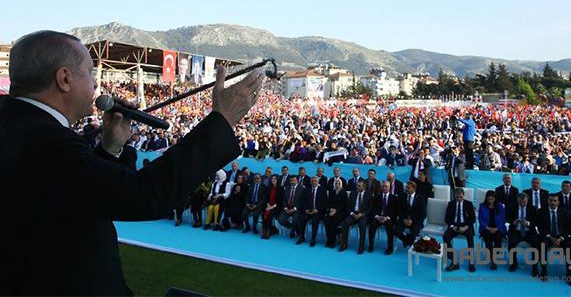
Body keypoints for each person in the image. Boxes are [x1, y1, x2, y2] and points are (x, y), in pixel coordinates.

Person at [0, 30, 262, 295]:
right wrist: (222, 120)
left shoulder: (16, 127)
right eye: (91, 73)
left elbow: (83, 195)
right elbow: (146, 194)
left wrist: (111, 148)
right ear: (64, 79)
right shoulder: (48, 141)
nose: (95, 85)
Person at [537, 193, 570, 282]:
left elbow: (568, 228)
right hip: (547, 236)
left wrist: (560, 239)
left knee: (569, 246)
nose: (552, 202)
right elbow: (540, 228)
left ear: (558, 202)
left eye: (555, 201)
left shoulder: (564, 212)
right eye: (551, 200)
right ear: (548, 201)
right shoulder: (541, 211)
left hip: (561, 237)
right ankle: (544, 270)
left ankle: (569, 273)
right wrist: (550, 237)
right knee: (542, 245)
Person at [443, 187, 476, 272]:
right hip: (454, 225)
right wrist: (452, 227)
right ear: (454, 196)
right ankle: (454, 261)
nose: (459, 199)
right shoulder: (451, 204)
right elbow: (447, 218)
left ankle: (471, 262)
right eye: (457, 197)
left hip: (465, 225)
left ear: (463, 196)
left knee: (470, 238)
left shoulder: (469, 204)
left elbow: (473, 218)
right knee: (445, 237)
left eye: (460, 197)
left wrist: (465, 227)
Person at [507, 193, 539, 275]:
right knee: (511, 243)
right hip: (516, 231)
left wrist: (528, 223)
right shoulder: (512, 207)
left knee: (536, 244)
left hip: (529, 232)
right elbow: (508, 218)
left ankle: (535, 266)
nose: (522, 204)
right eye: (520, 202)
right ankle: (513, 263)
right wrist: (514, 221)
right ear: (517, 200)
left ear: (527, 201)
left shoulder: (533, 208)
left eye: (524, 202)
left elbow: (536, 221)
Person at [339, 180, 373, 254]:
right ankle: (344, 244)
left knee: (362, 224)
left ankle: (361, 246)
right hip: (353, 214)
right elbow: (348, 206)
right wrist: (352, 214)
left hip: (363, 215)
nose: (356, 187)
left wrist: (362, 214)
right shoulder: (353, 193)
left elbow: (370, 208)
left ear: (364, 187)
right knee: (345, 223)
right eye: (357, 185)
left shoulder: (369, 194)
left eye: (359, 186)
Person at [478, 190, 506, 270]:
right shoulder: (482, 206)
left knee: (498, 237)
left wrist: (497, 228)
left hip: (498, 228)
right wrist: (487, 228)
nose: (490, 201)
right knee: (487, 237)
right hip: (486, 228)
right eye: (489, 199)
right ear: (486, 198)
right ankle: (492, 257)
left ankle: (495, 257)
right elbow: (480, 219)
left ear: (495, 199)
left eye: (492, 199)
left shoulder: (500, 206)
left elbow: (503, 219)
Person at [297, 176, 327, 247]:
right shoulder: (306, 189)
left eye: (315, 181)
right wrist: (305, 209)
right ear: (310, 182)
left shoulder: (323, 190)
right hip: (308, 210)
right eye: (312, 181)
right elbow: (302, 201)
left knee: (315, 220)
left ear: (318, 182)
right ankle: (302, 237)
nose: (314, 182)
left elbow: (324, 202)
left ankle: (313, 238)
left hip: (318, 211)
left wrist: (317, 209)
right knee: (302, 218)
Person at [394, 181, 426, 248]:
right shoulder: (402, 196)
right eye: (406, 187)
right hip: (403, 219)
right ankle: (406, 240)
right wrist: (404, 219)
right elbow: (398, 210)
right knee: (396, 231)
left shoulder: (420, 198)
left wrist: (412, 220)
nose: (406, 189)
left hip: (415, 221)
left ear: (414, 189)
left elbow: (422, 213)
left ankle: (410, 244)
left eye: (408, 188)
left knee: (414, 233)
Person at [324, 179, 348, 248]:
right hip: (331, 211)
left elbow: (344, 205)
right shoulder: (332, 192)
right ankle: (329, 240)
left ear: (341, 184)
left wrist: (336, 210)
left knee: (333, 222)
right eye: (336, 183)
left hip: (340, 212)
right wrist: (330, 209)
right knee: (326, 220)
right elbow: (328, 202)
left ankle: (333, 241)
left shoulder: (344, 193)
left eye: (338, 183)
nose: (337, 185)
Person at [261, 175, 282, 239]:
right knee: (263, 213)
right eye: (272, 178)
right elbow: (266, 198)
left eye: (275, 179)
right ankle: (264, 231)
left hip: (276, 206)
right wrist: (268, 205)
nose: (273, 180)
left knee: (270, 214)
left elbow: (279, 200)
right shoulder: (268, 188)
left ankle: (268, 232)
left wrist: (272, 207)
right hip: (268, 205)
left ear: (277, 180)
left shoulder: (280, 188)